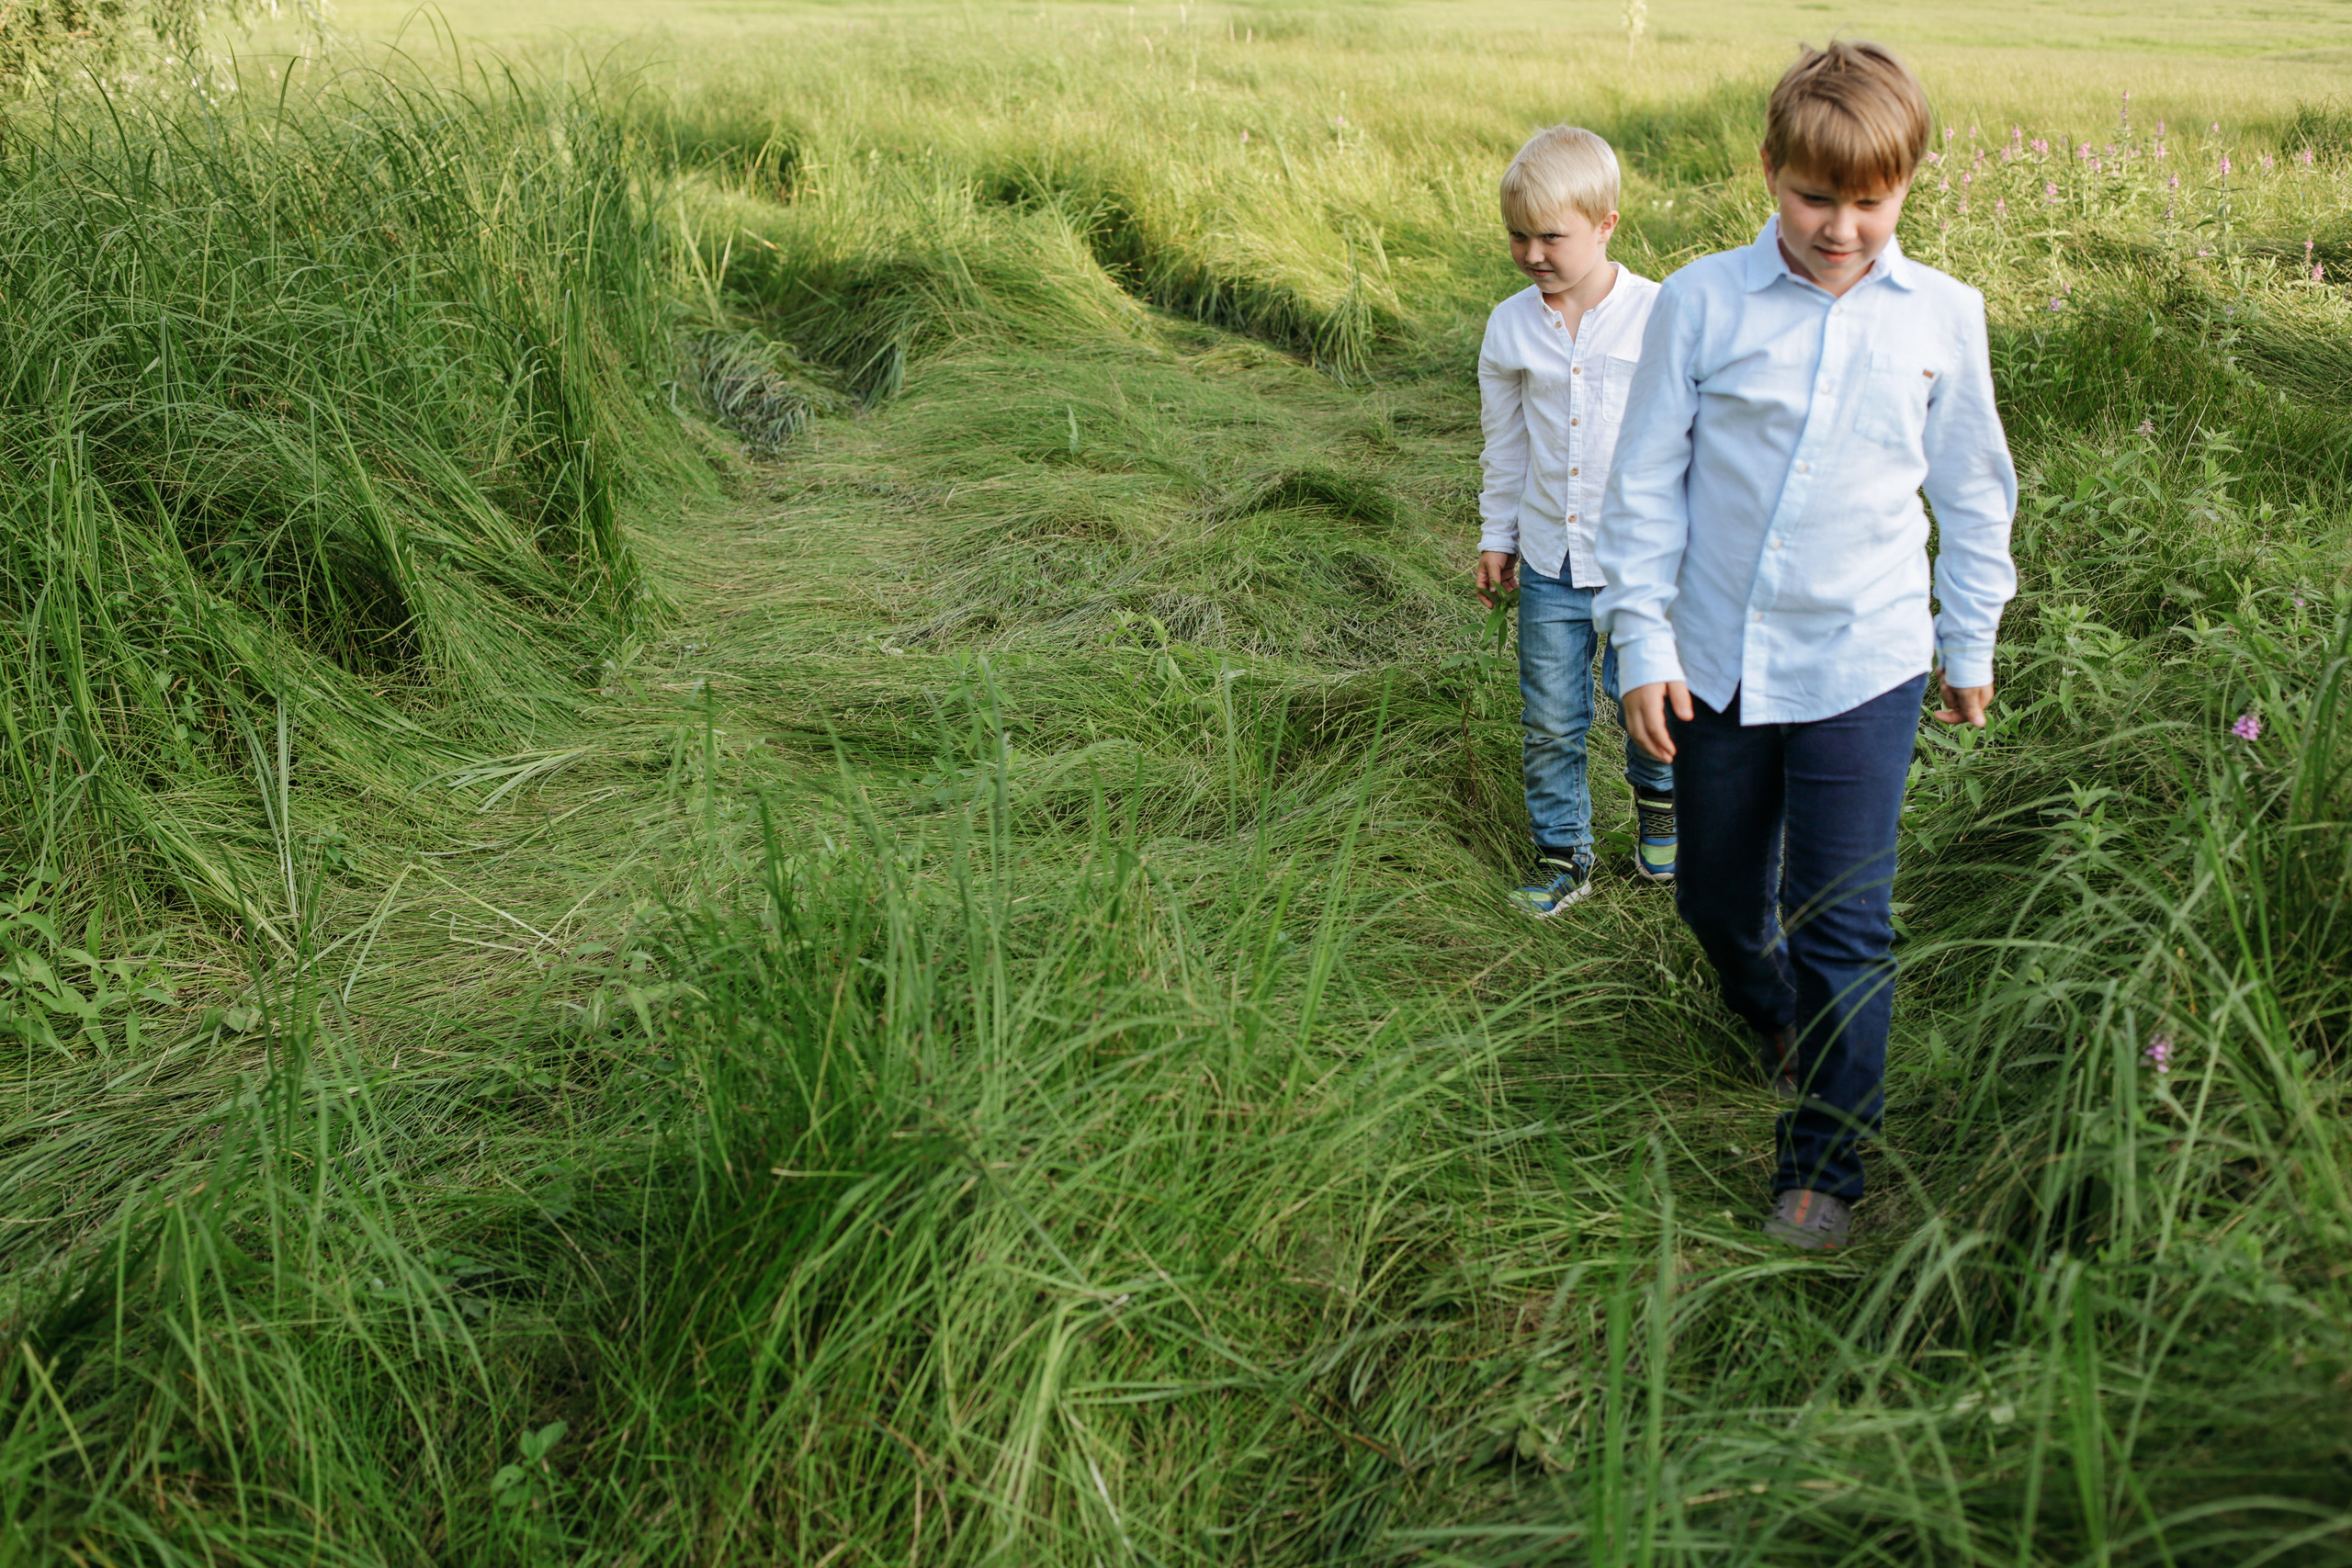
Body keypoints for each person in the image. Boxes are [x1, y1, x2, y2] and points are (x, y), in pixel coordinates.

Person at [1595, 41, 2018, 1251]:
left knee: (1842, 915)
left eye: (1869, 201)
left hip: (1866, 662)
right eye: (1813, 196)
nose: (1841, 227)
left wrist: (1966, 638)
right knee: (1718, 896)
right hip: (1713, 658)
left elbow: (1975, 493)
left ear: (1908, 187)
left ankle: (1825, 1164)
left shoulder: (1942, 319)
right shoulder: (1702, 304)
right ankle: (1771, 1001)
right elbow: (1642, 489)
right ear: (1769, 173)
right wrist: (1641, 641)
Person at [1476, 125, 1677, 918]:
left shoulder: (1660, 314)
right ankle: (1565, 855)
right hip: (1551, 562)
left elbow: (1684, 437)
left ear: (1606, 225)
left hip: (1643, 564)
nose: (1531, 253)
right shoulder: (1511, 327)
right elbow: (1506, 442)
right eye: (1517, 236)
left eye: (1550, 236)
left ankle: (1662, 819)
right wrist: (1499, 536)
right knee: (1552, 717)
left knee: (1648, 702)